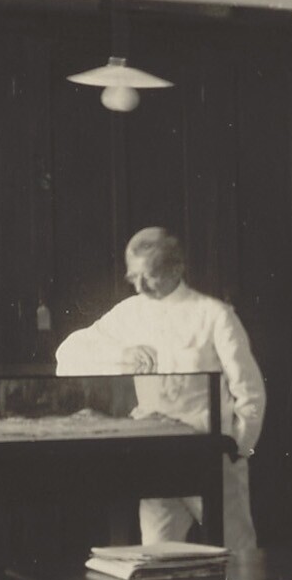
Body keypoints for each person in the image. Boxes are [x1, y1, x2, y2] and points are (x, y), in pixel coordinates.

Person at [55, 228, 264, 555]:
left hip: (210, 453)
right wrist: (121, 356)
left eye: (149, 276)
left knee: (235, 554)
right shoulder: (130, 313)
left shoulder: (214, 315)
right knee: (157, 558)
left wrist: (239, 447)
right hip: (157, 455)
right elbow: (67, 355)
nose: (139, 286)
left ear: (177, 268)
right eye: (133, 277)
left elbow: (249, 390)